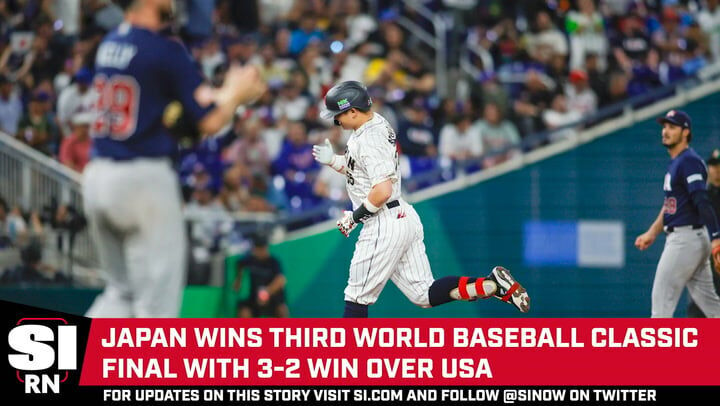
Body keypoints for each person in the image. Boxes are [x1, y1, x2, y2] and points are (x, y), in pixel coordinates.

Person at [82, 0, 266, 318]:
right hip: (143, 179)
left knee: (119, 295)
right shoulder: (164, 48)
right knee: (156, 309)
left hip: (99, 175)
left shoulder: (111, 42)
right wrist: (235, 93)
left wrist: (220, 98)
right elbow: (207, 121)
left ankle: (78, 364)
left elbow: (178, 117)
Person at [313, 80, 530, 318]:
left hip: (382, 222)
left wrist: (354, 219)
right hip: (401, 216)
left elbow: (382, 190)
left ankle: (350, 355)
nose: (336, 121)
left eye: (338, 115)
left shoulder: (368, 139)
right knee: (424, 294)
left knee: (356, 297)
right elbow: (362, 171)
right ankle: (492, 284)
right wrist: (334, 161)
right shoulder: (375, 123)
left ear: (353, 111)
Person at [635, 110, 720, 318]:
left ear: (685, 132)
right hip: (692, 238)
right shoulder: (678, 162)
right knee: (712, 308)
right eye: (664, 127)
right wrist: (652, 233)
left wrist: (717, 238)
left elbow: (702, 200)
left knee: (661, 306)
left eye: (672, 127)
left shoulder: (689, 161)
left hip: (685, 240)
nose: (665, 131)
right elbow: (670, 206)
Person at [687, 149, 720, 317]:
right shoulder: (702, 196)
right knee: (700, 302)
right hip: (705, 254)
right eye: (713, 166)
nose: (716, 170)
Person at [233, 232, 288, 318]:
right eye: (259, 248)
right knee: (244, 311)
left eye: (263, 248)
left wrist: (266, 292)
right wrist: (238, 279)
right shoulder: (250, 260)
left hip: (272, 298)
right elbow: (240, 265)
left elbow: (281, 280)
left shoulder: (273, 262)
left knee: (282, 309)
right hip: (254, 298)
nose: (262, 251)